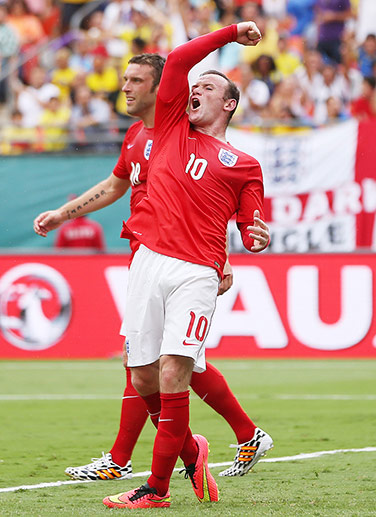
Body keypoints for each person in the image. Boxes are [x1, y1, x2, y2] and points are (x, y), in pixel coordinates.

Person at [33, 49, 273, 491]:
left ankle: (132, 465)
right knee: (149, 367)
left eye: (136, 80)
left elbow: (216, 208)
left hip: (190, 261)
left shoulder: (179, 134)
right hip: (146, 254)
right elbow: (114, 186)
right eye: (124, 79)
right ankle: (212, 443)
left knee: (172, 367)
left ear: (160, 87)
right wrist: (62, 214)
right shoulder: (138, 137)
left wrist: (228, 254)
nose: (125, 87)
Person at [101, 21, 270, 509]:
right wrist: (231, 32)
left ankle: (155, 489)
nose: (194, 89)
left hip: (197, 273)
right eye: (194, 87)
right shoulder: (172, 122)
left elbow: (252, 227)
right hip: (148, 263)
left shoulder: (243, 164)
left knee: (175, 372)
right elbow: (176, 62)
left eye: (208, 88)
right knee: (142, 379)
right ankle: (194, 452)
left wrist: (258, 238)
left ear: (229, 104)